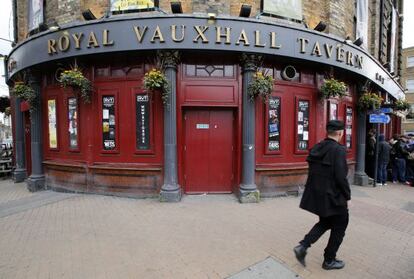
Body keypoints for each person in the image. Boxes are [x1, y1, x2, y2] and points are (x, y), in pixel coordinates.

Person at [294, 120, 351, 270]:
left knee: (326, 222)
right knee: (340, 226)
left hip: (319, 196)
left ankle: (303, 246)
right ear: (340, 133)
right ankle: (329, 260)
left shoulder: (317, 147)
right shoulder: (338, 150)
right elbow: (340, 177)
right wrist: (347, 196)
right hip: (334, 197)